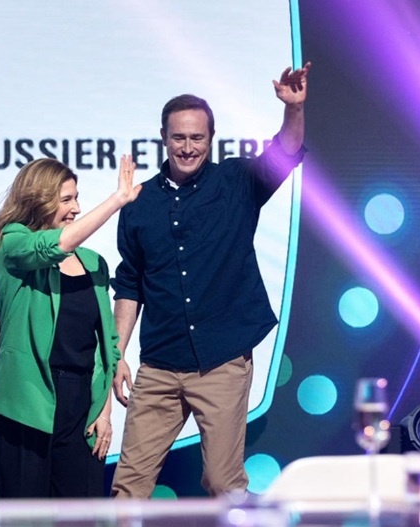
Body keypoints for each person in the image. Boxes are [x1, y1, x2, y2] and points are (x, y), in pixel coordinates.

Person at [110, 63, 311, 499]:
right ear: (164, 138)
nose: (187, 147)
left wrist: (294, 109)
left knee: (223, 482)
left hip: (221, 360)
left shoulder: (237, 181)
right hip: (159, 364)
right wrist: (116, 352)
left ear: (211, 139)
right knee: (128, 487)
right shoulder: (139, 203)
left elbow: (286, 151)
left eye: (197, 138)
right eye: (179, 137)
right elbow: (129, 282)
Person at [0, 156, 141, 498]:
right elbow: (51, 246)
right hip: (26, 404)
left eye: (76, 198)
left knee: (80, 523)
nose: (76, 208)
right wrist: (116, 200)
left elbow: (106, 346)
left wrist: (104, 411)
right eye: (66, 199)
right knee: (23, 522)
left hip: (80, 407)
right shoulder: (10, 243)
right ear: (38, 200)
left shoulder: (94, 264)